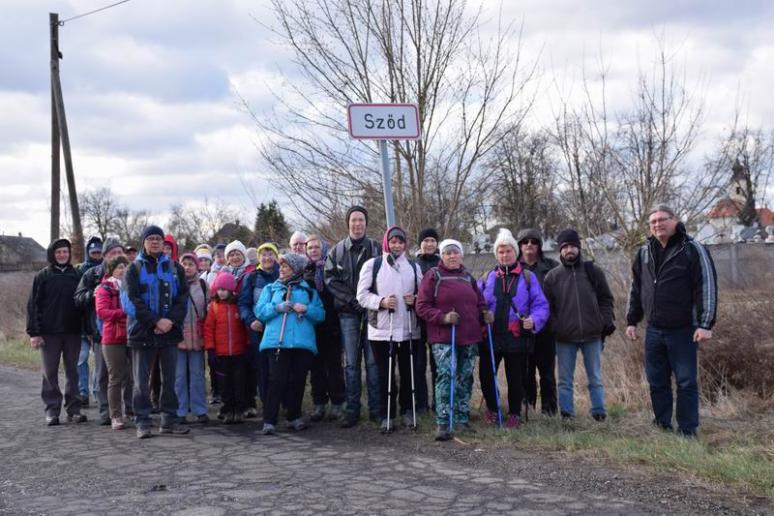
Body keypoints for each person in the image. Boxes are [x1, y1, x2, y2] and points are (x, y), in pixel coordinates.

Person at [626, 204, 717, 437]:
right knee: (657, 382)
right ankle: (662, 424)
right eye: (653, 222)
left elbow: (706, 286)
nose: (657, 224)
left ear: (675, 220)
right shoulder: (645, 251)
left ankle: (687, 430)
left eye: (662, 220)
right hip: (654, 330)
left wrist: (705, 324)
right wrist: (632, 320)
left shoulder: (692, 249)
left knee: (686, 382)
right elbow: (636, 288)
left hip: (684, 330)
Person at [416, 239, 487, 441]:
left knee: (465, 377)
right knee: (446, 375)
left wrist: (484, 313)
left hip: (469, 337)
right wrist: (443, 317)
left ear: (461, 255)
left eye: (455, 252)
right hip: (444, 337)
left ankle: (462, 418)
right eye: (448, 253)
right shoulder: (433, 276)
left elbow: (480, 302)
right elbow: (422, 306)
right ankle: (443, 421)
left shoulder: (468, 277)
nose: (452, 256)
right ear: (442, 256)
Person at [122, 225, 190, 438]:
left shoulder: (175, 268)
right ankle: (143, 421)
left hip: (169, 332)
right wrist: (155, 322)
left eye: (158, 239)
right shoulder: (133, 269)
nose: (155, 242)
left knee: (170, 379)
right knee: (141, 382)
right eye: (150, 238)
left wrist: (169, 321)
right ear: (144, 242)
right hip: (142, 332)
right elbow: (129, 302)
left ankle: (169, 420)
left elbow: (182, 299)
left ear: (164, 243)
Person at [479, 229, 549, 428]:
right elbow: (475, 302)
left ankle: (514, 413)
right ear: (496, 254)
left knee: (515, 379)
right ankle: (492, 409)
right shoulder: (486, 278)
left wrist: (534, 320)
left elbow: (541, 305)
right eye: (500, 251)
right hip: (491, 337)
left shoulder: (528, 278)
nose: (504, 255)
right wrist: (482, 314)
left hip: (516, 336)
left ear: (515, 252)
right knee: (486, 376)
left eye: (508, 250)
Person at [543, 229, 615, 421]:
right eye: (565, 247)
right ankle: (567, 414)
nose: (569, 250)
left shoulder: (593, 271)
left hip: (592, 335)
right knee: (565, 380)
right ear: (560, 251)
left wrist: (604, 321)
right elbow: (546, 308)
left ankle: (599, 413)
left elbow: (606, 299)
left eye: (572, 246)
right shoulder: (552, 277)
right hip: (564, 337)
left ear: (579, 247)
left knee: (596, 379)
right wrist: (555, 326)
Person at [356, 226, 422, 432]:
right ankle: (387, 414)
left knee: (408, 372)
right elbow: (362, 295)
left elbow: (424, 296)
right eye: (393, 241)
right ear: (386, 242)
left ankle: (407, 411)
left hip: (409, 329)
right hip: (382, 331)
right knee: (385, 374)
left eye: (400, 242)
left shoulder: (413, 266)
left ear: (405, 244)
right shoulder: (373, 265)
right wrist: (382, 302)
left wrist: (416, 300)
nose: (397, 245)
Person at [324, 206, 382, 428]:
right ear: (348, 223)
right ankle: (352, 410)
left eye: (361, 220)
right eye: (354, 220)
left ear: (366, 223)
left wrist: (368, 300)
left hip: (373, 314)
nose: (357, 224)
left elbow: (383, 277)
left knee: (373, 362)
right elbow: (330, 280)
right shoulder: (337, 251)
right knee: (351, 364)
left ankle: (376, 410)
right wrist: (351, 300)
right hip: (348, 314)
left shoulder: (377, 249)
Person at [256, 253, 325, 435]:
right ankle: (269, 420)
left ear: (296, 270)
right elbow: (260, 311)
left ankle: (293, 417)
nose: (281, 269)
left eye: (286, 266)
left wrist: (306, 309)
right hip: (276, 342)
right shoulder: (270, 289)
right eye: (281, 266)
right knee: (276, 380)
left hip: (302, 343)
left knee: (298, 381)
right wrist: (277, 308)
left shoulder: (309, 290)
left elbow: (320, 315)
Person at [26, 239, 87, 426]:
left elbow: (83, 304)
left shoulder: (77, 274)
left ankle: (74, 410)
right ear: (52, 254)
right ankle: (52, 411)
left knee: (73, 372)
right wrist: (34, 333)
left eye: (65, 252)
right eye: (59, 252)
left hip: (73, 332)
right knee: (50, 372)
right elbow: (32, 306)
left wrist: (88, 329)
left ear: (69, 254)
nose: (62, 255)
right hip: (48, 333)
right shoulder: (42, 276)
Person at [73, 237, 127, 425]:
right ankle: (106, 412)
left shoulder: (129, 273)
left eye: (120, 252)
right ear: (104, 256)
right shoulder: (91, 274)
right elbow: (78, 298)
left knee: (127, 374)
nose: (117, 256)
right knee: (103, 374)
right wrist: (92, 293)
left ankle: (129, 410)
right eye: (113, 253)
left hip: (128, 333)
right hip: (100, 331)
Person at [517, 229, 559, 415]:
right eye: (525, 241)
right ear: (519, 245)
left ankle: (549, 411)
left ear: (539, 245)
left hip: (546, 329)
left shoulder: (552, 267)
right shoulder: (513, 267)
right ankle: (528, 409)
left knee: (547, 373)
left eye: (534, 241)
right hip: (521, 330)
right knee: (525, 372)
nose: (529, 245)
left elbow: (560, 297)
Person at [304, 235, 345, 422]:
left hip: (332, 324)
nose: (313, 250)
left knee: (334, 366)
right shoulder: (304, 271)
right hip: (312, 326)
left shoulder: (332, 268)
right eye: (310, 247)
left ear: (323, 248)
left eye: (316, 247)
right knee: (316, 367)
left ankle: (337, 403)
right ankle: (319, 403)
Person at [238, 242, 280, 415]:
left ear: (276, 257)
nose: (267, 257)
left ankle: (282, 403)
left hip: (279, 329)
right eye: (264, 254)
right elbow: (243, 303)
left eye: (271, 254)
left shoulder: (283, 273)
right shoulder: (252, 277)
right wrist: (250, 320)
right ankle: (267, 405)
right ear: (259, 257)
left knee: (279, 368)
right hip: (259, 330)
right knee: (262, 369)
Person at [204, 272, 248, 424]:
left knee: (239, 382)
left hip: (238, 353)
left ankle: (239, 409)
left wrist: (247, 346)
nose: (221, 292)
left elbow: (244, 328)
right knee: (225, 384)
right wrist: (210, 349)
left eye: (224, 289)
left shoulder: (238, 306)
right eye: (219, 289)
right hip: (221, 354)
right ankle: (228, 409)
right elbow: (208, 329)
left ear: (231, 289)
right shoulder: (214, 308)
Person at [94, 255, 131, 430]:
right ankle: (116, 415)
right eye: (119, 267)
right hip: (112, 338)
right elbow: (102, 312)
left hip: (132, 335)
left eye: (125, 266)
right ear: (111, 270)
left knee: (132, 377)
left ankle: (131, 410)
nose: (123, 270)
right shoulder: (104, 288)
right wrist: (124, 312)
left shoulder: (132, 286)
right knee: (115, 377)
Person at [176, 253, 209, 424]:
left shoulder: (203, 285)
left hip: (197, 337)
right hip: (178, 337)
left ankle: (199, 409)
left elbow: (208, 310)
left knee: (197, 375)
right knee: (179, 376)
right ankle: (179, 411)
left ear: (197, 267)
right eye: (184, 263)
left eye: (191, 264)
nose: (187, 267)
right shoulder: (174, 284)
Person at [414, 227, 440, 414]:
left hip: (437, 320)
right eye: (426, 240)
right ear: (420, 243)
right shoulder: (412, 264)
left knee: (438, 364)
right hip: (416, 320)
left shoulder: (443, 263)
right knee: (418, 364)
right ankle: (421, 404)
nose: (429, 244)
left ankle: (439, 403)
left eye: (432, 240)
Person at [76, 235, 103, 406]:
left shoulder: (106, 270)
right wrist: (91, 294)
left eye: (99, 252)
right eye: (93, 252)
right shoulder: (80, 271)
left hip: (98, 323)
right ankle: (82, 392)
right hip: (81, 322)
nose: (96, 255)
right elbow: (76, 297)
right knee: (81, 359)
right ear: (88, 252)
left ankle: (96, 391)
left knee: (99, 361)